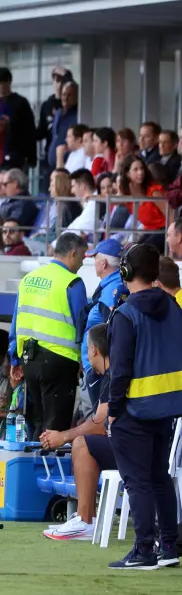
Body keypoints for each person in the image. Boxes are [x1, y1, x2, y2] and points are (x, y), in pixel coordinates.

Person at [105, 243, 180, 570]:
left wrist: (112, 409)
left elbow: (120, 370)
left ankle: (144, 550)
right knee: (159, 478)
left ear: (125, 272)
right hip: (167, 408)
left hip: (132, 411)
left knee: (138, 481)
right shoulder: (175, 307)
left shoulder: (125, 314)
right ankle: (169, 546)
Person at [9, 232, 88, 437]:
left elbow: (15, 322)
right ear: (72, 254)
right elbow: (82, 324)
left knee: (39, 421)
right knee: (55, 430)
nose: (82, 262)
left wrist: (14, 358)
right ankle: (47, 468)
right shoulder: (72, 282)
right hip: (60, 361)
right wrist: (84, 358)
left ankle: (33, 465)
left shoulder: (28, 279)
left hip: (30, 360)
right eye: (82, 257)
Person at [40, 323, 113, 542]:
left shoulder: (116, 373)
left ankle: (85, 520)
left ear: (93, 350)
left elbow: (101, 423)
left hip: (137, 447)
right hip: (140, 443)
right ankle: (86, 518)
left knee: (82, 443)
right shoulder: (110, 375)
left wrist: (63, 436)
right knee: (84, 441)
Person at [77, 239, 126, 417]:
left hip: (99, 371)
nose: (93, 262)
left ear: (103, 263)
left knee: (97, 423)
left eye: (95, 258)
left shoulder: (112, 289)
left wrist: (100, 369)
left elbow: (109, 332)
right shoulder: (112, 286)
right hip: (97, 367)